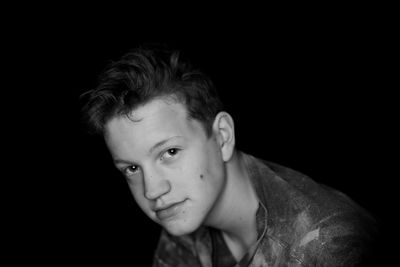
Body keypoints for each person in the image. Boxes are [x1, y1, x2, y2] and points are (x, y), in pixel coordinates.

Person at [81, 45, 378, 266]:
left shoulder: (329, 246)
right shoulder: (182, 215)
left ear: (222, 136)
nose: (153, 189)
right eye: (131, 168)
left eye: (170, 152)